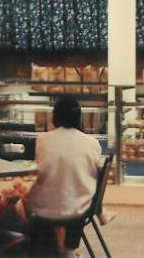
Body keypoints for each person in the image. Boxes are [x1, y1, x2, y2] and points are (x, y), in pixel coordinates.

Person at [27, 96, 114, 256]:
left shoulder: (42, 139)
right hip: (78, 210)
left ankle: (42, 247)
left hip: (42, 209)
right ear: (79, 118)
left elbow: (42, 169)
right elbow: (94, 174)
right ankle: (68, 250)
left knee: (22, 206)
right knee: (78, 192)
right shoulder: (92, 143)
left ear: (54, 117)